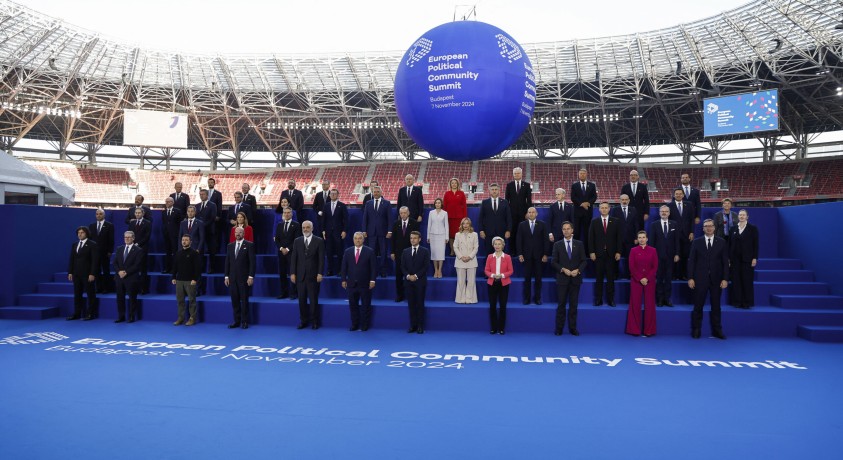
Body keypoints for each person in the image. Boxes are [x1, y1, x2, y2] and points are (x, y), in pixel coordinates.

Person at [687, 219, 729, 339]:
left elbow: (725, 262)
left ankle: (717, 330)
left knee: (716, 306)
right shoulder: (696, 242)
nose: (709, 228)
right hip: (699, 279)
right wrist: (690, 278)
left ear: (714, 228)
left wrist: (725, 278)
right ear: (703, 228)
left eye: (711, 226)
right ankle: (696, 330)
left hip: (717, 280)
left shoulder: (721, 242)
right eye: (706, 226)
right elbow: (691, 262)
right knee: (698, 306)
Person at [551, 221, 586, 336]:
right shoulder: (557, 244)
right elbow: (554, 262)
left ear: (572, 230)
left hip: (575, 279)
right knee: (561, 304)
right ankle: (559, 328)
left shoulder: (579, 244)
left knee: (573, 305)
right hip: (562, 279)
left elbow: (584, 261)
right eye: (564, 229)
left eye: (568, 229)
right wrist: (563, 269)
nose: (566, 231)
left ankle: (572, 328)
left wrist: (578, 270)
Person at [290, 220, 325, 329]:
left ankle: (314, 322)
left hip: (313, 276)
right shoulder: (297, 241)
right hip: (300, 276)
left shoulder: (319, 241)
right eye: (303, 227)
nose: (305, 229)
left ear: (312, 228)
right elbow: (294, 258)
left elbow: (321, 260)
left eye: (308, 227)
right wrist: (292, 273)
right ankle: (303, 321)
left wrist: (320, 273)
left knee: (313, 300)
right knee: (301, 300)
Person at [340, 232, 377, 331]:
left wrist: (372, 280)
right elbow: (344, 267)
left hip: (365, 284)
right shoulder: (348, 251)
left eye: (360, 238)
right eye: (356, 238)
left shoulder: (369, 251)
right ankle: (354, 324)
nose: (358, 240)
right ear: (353, 240)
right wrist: (343, 279)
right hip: (351, 284)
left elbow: (373, 268)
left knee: (366, 305)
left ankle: (365, 325)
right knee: (353, 305)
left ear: (363, 240)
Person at [588, 202, 622, 306]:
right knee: (599, 278)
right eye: (602, 208)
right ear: (599, 209)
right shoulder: (594, 221)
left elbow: (619, 238)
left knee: (611, 278)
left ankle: (611, 299)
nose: (604, 209)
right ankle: (598, 299)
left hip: (611, 254)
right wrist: (591, 252)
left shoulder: (616, 221)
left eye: (606, 208)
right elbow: (590, 238)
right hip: (598, 255)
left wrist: (619, 251)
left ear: (609, 209)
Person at [626, 230, 658, 337]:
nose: (641, 239)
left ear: (647, 239)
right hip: (636, 280)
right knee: (635, 304)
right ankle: (634, 329)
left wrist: (647, 278)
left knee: (650, 305)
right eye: (639, 237)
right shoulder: (633, 250)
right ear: (637, 239)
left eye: (643, 237)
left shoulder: (653, 250)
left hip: (650, 281)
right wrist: (640, 278)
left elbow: (655, 267)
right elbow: (631, 266)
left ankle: (649, 330)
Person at [648, 205, 680, 307]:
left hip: (670, 257)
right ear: (659, 213)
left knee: (668, 279)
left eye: (666, 211)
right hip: (657, 257)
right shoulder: (654, 225)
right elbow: (652, 242)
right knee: (659, 279)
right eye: (662, 211)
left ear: (669, 213)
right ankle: (660, 299)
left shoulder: (674, 224)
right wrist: (652, 256)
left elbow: (677, 241)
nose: (664, 213)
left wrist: (677, 254)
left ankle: (667, 299)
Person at [517, 207, 550, 305]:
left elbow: (546, 240)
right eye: (529, 212)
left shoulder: (542, 224)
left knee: (538, 278)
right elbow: (519, 240)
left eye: (533, 212)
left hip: (539, 256)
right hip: (526, 256)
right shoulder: (522, 225)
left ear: (537, 214)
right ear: (527, 214)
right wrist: (520, 254)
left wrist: (545, 254)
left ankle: (537, 298)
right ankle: (527, 299)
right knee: (527, 278)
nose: (531, 214)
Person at [224, 227, 255, 329]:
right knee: (235, 301)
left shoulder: (249, 245)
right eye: (236, 232)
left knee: (244, 300)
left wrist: (251, 276)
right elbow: (227, 262)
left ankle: (244, 321)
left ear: (243, 233)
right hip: (232, 278)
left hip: (244, 278)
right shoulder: (230, 246)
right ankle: (236, 321)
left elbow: (252, 263)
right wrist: (226, 276)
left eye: (240, 232)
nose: (238, 234)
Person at [67, 226, 99, 321]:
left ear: (87, 234)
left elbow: (95, 261)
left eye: (82, 232)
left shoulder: (92, 244)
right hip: (76, 274)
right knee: (77, 294)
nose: (80, 234)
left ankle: (90, 314)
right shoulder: (75, 244)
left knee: (90, 294)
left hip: (87, 274)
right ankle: (77, 313)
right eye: (79, 233)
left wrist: (92, 273)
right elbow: (72, 259)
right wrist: (70, 272)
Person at [730, 209, 759, 309]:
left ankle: (747, 302)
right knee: (736, 281)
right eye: (740, 215)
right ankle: (737, 301)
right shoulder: (733, 228)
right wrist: (729, 258)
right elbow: (730, 244)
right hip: (735, 260)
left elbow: (755, 244)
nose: (741, 216)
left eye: (743, 215)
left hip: (747, 259)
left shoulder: (752, 228)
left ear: (747, 217)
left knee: (747, 281)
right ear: (738, 216)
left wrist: (754, 258)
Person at [402, 231, 430, 334]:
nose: (412, 240)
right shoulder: (405, 251)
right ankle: (413, 325)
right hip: (408, 282)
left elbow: (426, 266)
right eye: (411, 238)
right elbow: (403, 267)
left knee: (419, 304)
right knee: (411, 305)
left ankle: (420, 326)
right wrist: (408, 276)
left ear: (419, 239)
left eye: (415, 238)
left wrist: (416, 276)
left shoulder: (425, 251)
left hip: (420, 282)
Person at [171, 234, 202, 326]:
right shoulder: (178, 253)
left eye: (186, 240)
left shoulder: (194, 253)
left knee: (192, 300)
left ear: (190, 242)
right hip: (179, 281)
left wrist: (195, 279)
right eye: (183, 240)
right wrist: (173, 277)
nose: (184, 241)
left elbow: (198, 268)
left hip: (190, 281)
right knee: (180, 300)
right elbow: (174, 266)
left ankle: (192, 318)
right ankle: (181, 318)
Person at [113, 231, 144, 323]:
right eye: (125, 237)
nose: (126, 239)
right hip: (119, 277)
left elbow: (137, 265)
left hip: (131, 278)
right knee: (120, 298)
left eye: (129, 237)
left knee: (132, 298)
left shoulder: (138, 250)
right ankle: (121, 316)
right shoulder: (119, 249)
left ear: (133, 238)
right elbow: (115, 263)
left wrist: (126, 272)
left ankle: (131, 316)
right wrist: (119, 271)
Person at [485, 237, 513, 335]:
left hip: (504, 283)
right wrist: (493, 275)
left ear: (503, 245)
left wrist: (502, 275)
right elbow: (486, 270)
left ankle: (501, 328)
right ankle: (493, 328)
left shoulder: (507, 257)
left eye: (499, 244)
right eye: (495, 244)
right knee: (492, 306)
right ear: (493, 245)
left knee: (502, 306)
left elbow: (510, 271)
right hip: (492, 283)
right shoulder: (489, 257)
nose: (497, 246)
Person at [362, 186, 392, 277]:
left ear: (381, 192)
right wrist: (364, 230)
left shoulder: (387, 203)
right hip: (371, 233)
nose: (376, 193)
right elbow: (365, 218)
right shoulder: (368, 203)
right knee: (372, 253)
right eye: (374, 192)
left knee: (383, 252)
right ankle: (373, 271)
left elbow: (390, 218)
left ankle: (383, 270)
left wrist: (390, 231)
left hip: (383, 233)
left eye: (377, 191)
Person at [390, 206, 419, 302]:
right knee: (399, 275)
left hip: (410, 253)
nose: (403, 215)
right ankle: (399, 295)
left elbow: (417, 239)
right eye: (401, 213)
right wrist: (392, 252)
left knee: (411, 274)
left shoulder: (414, 223)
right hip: (398, 254)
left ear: (408, 213)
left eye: (405, 213)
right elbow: (393, 239)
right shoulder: (396, 224)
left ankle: (411, 296)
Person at [609, 194, 640, 277]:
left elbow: (636, 224)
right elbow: (612, 225)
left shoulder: (633, 210)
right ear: (620, 201)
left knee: (630, 258)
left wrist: (637, 237)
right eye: (622, 200)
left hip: (631, 238)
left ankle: (629, 275)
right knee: (616, 257)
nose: (624, 201)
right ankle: (615, 275)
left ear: (629, 200)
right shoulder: (615, 210)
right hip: (617, 238)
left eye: (626, 199)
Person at [274, 207, 301, 299]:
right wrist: (281, 248)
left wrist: (288, 249)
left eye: (288, 212)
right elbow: (277, 239)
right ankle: (283, 292)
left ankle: (293, 293)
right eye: (285, 212)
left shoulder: (296, 225)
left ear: (292, 214)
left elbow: (296, 239)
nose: (286, 214)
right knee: (282, 273)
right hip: (281, 253)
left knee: (292, 273)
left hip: (292, 253)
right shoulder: (279, 225)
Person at [668, 188, 695, 280]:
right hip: (674, 234)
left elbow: (691, 220)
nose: (678, 195)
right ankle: (675, 274)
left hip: (687, 234)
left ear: (683, 195)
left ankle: (683, 274)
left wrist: (692, 232)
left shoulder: (689, 205)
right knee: (674, 254)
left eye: (680, 194)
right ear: (674, 195)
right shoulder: (669, 206)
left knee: (685, 255)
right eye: (676, 194)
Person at [478, 183, 511, 255]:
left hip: (502, 232)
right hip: (488, 232)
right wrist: (481, 230)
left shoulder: (505, 202)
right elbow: (481, 218)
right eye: (492, 190)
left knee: (502, 254)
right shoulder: (485, 202)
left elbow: (508, 217)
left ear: (499, 191)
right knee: (489, 253)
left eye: (496, 189)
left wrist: (508, 230)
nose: (494, 191)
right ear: (489, 191)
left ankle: (501, 266)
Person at [320, 189, 348, 276]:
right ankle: (330, 270)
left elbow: (346, 219)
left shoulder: (342, 205)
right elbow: (323, 219)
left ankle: (340, 270)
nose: (333, 195)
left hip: (338, 232)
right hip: (328, 233)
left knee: (340, 252)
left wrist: (344, 230)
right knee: (329, 252)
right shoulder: (326, 206)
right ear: (329, 195)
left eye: (335, 194)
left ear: (338, 195)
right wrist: (323, 230)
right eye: (331, 194)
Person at [505, 167, 532, 254]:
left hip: (523, 214)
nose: (517, 175)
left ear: (521, 174)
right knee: (512, 233)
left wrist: (528, 212)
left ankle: (523, 251)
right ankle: (513, 252)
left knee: (523, 232)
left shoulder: (527, 185)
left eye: (518, 173)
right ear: (513, 175)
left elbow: (529, 201)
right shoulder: (509, 185)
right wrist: (508, 213)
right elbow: (506, 200)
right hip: (512, 214)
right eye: (515, 173)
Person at [88, 208, 114, 294]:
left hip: (105, 252)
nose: (98, 215)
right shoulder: (91, 226)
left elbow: (111, 239)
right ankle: (98, 288)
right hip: (94, 253)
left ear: (104, 215)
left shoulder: (109, 225)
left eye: (100, 214)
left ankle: (107, 288)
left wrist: (110, 251)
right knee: (96, 270)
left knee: (106, 270)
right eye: (97, 214)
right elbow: (90, 240)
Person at [571, 168, 597, 251]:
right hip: (577, 213)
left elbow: (594, 197)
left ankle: (587, 251)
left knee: (587, 233)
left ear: (586, 174)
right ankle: (576, 251)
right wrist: (582, 204)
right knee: (576, 233)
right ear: (578, 175)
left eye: (583, 173)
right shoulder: (574, 185)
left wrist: (588, 203)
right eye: (580, 173)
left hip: (588, 212)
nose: (582, 175)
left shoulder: (592, 185)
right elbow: (573, 197)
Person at [454, 217, 479, 304]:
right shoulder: (457, 234)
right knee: (460, 281)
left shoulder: (475, 234)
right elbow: (455, 247)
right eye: (464, 223)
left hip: (471, 261)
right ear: (461, 225)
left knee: (471, 281)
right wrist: (461, 257)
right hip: (460, 261)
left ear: (470, 225)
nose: (465, 225)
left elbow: (476, 248)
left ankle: (470, 299)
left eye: (467, 223)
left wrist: (469, 257)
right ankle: (460, 299)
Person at [128, 207, 152, 295]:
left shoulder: (147, 223)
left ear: (143, 213)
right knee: (132, 269)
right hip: (132, 248)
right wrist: (132, 243)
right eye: (136, 213)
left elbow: (147, 236)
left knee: (142, 270)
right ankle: (133, 289)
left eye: (139, 213)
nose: (137, 214)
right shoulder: (132, 223)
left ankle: (143, 289)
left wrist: (137, 244)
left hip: (142, 249)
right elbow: (129, 234)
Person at [442, 177, 467, 256]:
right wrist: (444, 216)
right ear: (450, 184)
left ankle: (458, 251)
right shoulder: (447, 193)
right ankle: (452, 250)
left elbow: (464, 206)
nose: (454, 184)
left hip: (459, 217)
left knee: (459, 234)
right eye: (452, 183)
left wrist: (465, 217)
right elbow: (444, 206)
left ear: (458, 184)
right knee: (450, 235)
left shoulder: (461, 193)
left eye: (455, 183)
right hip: (449, 217)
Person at [195, 189, 218, 273]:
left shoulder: (212, 205)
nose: (201, 196)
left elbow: (212, 218)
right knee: (199, 250)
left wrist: (202, 225)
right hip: (199, 232)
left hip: (209, 231)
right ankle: (199, 268)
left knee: (211, 251)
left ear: (207, 195)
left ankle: (212, 268)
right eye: (200, 194)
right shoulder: (197, 206)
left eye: (203, 194)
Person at [426, 197, 448, 278]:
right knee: (434, 253)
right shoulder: (431, 213)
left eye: (439, 203)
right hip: (433, 235)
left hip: (442, 235)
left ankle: (440, 270)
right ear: (434, 204)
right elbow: (429, 225)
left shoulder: (445, 213)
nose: (437, 204)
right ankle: (435, 270)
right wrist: (428, 236)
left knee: (441, 253)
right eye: (436, 203)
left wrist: (447, 237)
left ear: (441, 204)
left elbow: (446, 226)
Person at [161, 196, 183, 272]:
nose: (167, 203)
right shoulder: (163, 212)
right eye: (166, 202)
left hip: (175, 235)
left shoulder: (177, 211)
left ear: (173, 202)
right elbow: (164, 223)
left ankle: (175, 269)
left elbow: (180, 223)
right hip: (166, 235)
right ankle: (168, 268)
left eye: (168, 201)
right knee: (168, 252)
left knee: (175, 252)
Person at [206, 178, 224, 255]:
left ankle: (215, 250)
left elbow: (219, 206)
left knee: (214, 235)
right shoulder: (205, 193)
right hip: (206, 217)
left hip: (214, 218)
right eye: (209, 182)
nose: (210, 184)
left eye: (211, 182)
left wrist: (218, 216)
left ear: (214, 183)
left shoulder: (218, 193)